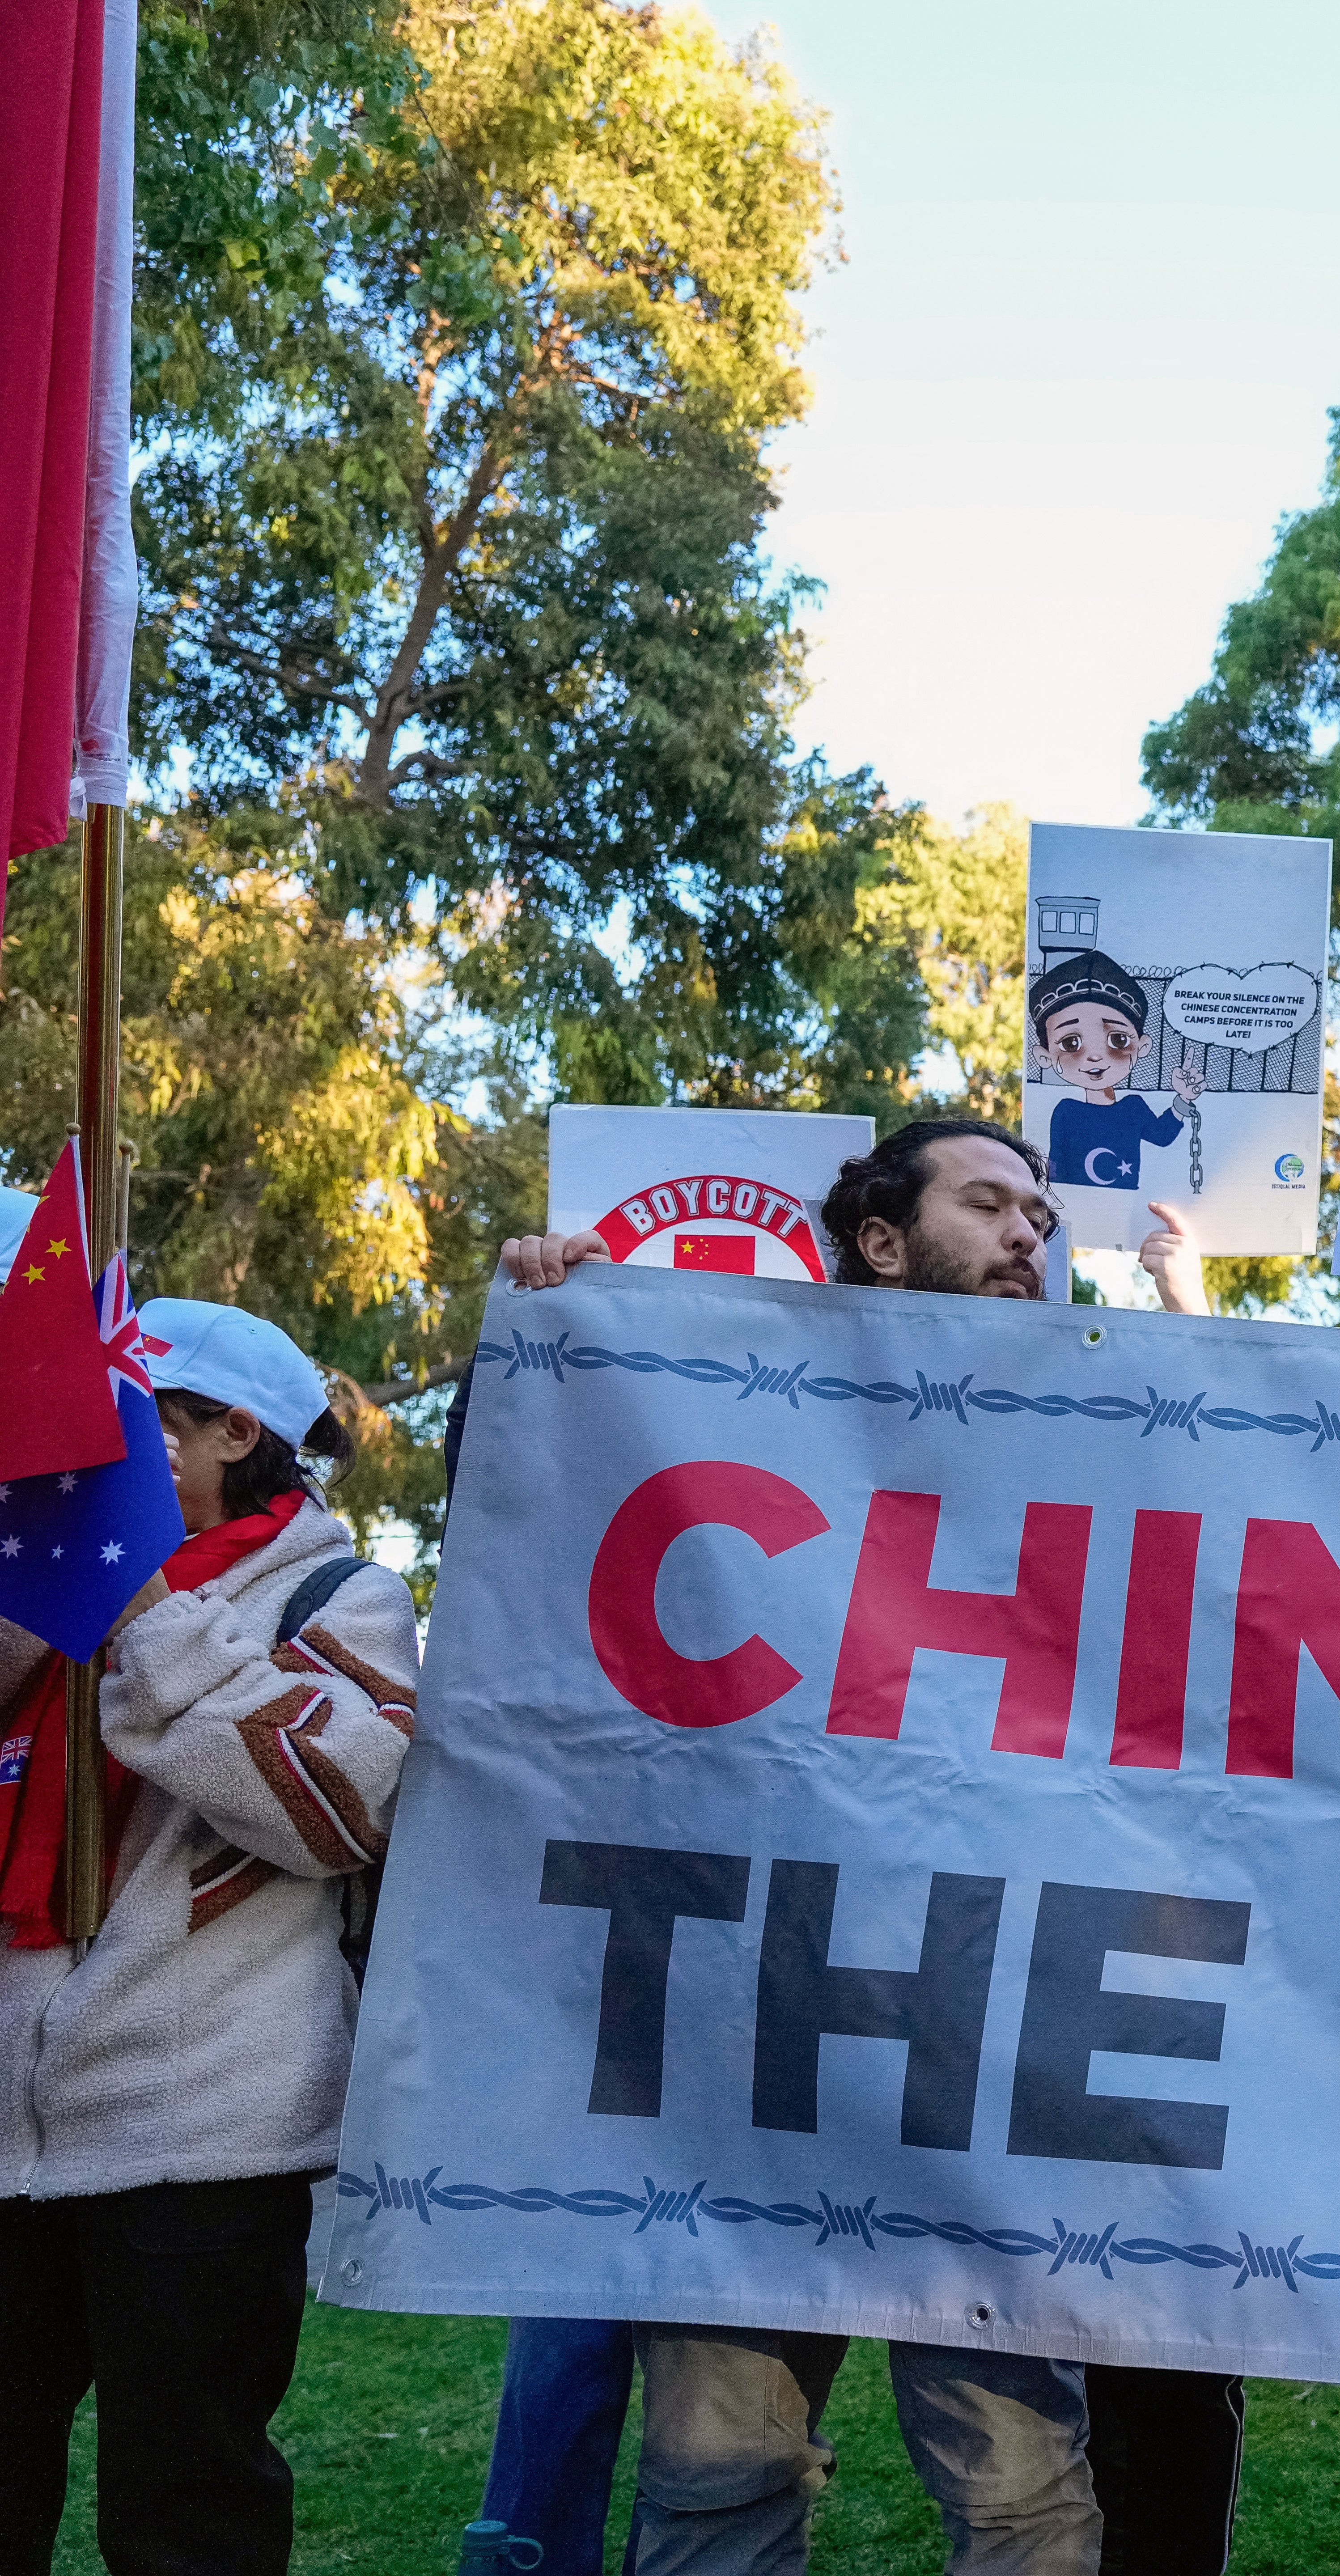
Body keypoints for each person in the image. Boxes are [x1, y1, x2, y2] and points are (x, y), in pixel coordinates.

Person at [491, 1120, 1122, 2576]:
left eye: (1041, 1211)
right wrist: (547, 1344)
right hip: (743, 2047)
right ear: (886, 1240)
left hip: (981, 2059)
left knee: (1023, 2489)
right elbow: (536, 1554)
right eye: (990, 1203)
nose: (1030, 1231)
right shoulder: (721, 1408)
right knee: (721, 2476)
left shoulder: (1107, 1437)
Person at [0, 1300, 417, 2576]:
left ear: (237, 1432)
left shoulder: (347, 1597)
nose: (88, 1470)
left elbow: (333, 1809)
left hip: (201, 2144)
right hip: (9, 2141)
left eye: (128, 1437)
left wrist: (145, 1606)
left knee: (190, 2512)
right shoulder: (38, 1573)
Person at [1031, 950, 1204, 1193]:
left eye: (1118, 1040)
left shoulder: (1133, 1109)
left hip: (1125, 1210)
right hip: (1077, 1207)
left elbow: (1162, 1136)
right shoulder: (1066, 1112)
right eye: (1071, 1043)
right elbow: (1057, 1164)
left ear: (1142, 1046)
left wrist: (1183, 1099)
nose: (1095, 1057)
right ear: (1045, 1056)